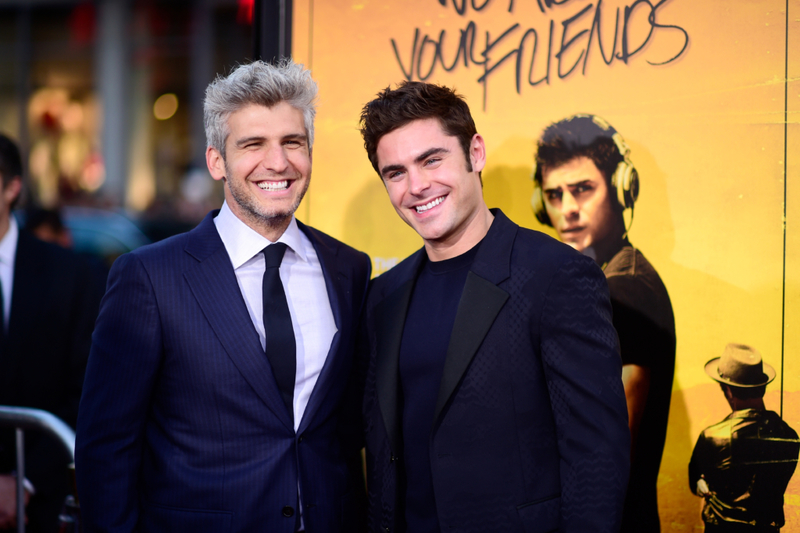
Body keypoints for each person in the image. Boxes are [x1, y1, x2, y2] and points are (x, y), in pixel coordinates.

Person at [75, 59, 371, 532]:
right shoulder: (149, 277)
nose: (278, 162)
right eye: (253, 144)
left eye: (292, 142)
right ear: (217, 160)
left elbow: (348, 426)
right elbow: (106, 446)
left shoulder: (349, 268)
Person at [357, 82, 630, 532]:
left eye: (432, 159)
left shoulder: (555, 275)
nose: (418, 185)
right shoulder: (384, 295)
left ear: (475, 153)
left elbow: (596, 457)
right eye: (396, 172)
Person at [533, 114, 676, 531]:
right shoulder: (604, 282)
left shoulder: (625, 291)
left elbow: (607, 453)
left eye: (582, 190)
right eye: (554, 195)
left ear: (620, 189)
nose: (568, 210)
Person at [0, 134, 102, 533]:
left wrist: (24, 482)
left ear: (12, 187)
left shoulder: (70, 274)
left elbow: (88, 384)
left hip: (45, 499)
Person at [689, 344, 799, 532]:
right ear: (762, 388)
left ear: (727, 390)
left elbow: (695, 479)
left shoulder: (711, 437)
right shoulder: (790, 437)